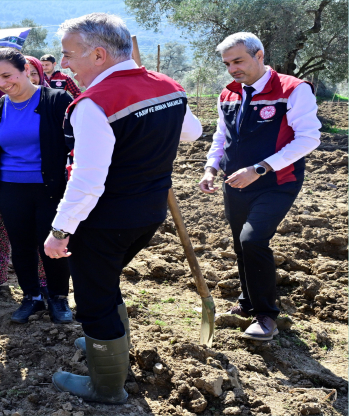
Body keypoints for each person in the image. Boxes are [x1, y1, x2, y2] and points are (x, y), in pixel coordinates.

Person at [43, 13, 202, 404]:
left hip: (103, 220)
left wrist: (60, 231)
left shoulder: (93, 104)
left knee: (94, 298)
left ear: (98, 55)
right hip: (148, 213)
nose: (64, 64)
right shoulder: (168, 87)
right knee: (106, 282)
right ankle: (107, 343)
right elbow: (192, 132)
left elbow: (87, 179)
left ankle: (106, 386)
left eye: (68, 55)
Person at [199, 32, 320, 341]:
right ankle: (248, 302)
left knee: (253, 240)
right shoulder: (229, 93)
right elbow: (221, 136)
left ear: (260, 55)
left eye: (238, 61)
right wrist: (211, 167)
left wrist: (260, 168)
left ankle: (266, 316)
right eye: (227, 63)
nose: (232, 69)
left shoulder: (292, 90)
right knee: (241, 245)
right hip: (235, 182)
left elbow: (308, 138)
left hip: (276, 182)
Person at [0, 48, 74, 324]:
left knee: (51, 245)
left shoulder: (56, 100)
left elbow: (75, 143)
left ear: (26, 71)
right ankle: (31, 297)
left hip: (51, 188)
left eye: (7, 75)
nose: (2, 84)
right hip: (10, 189)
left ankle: (58, 297)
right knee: (21, 245)